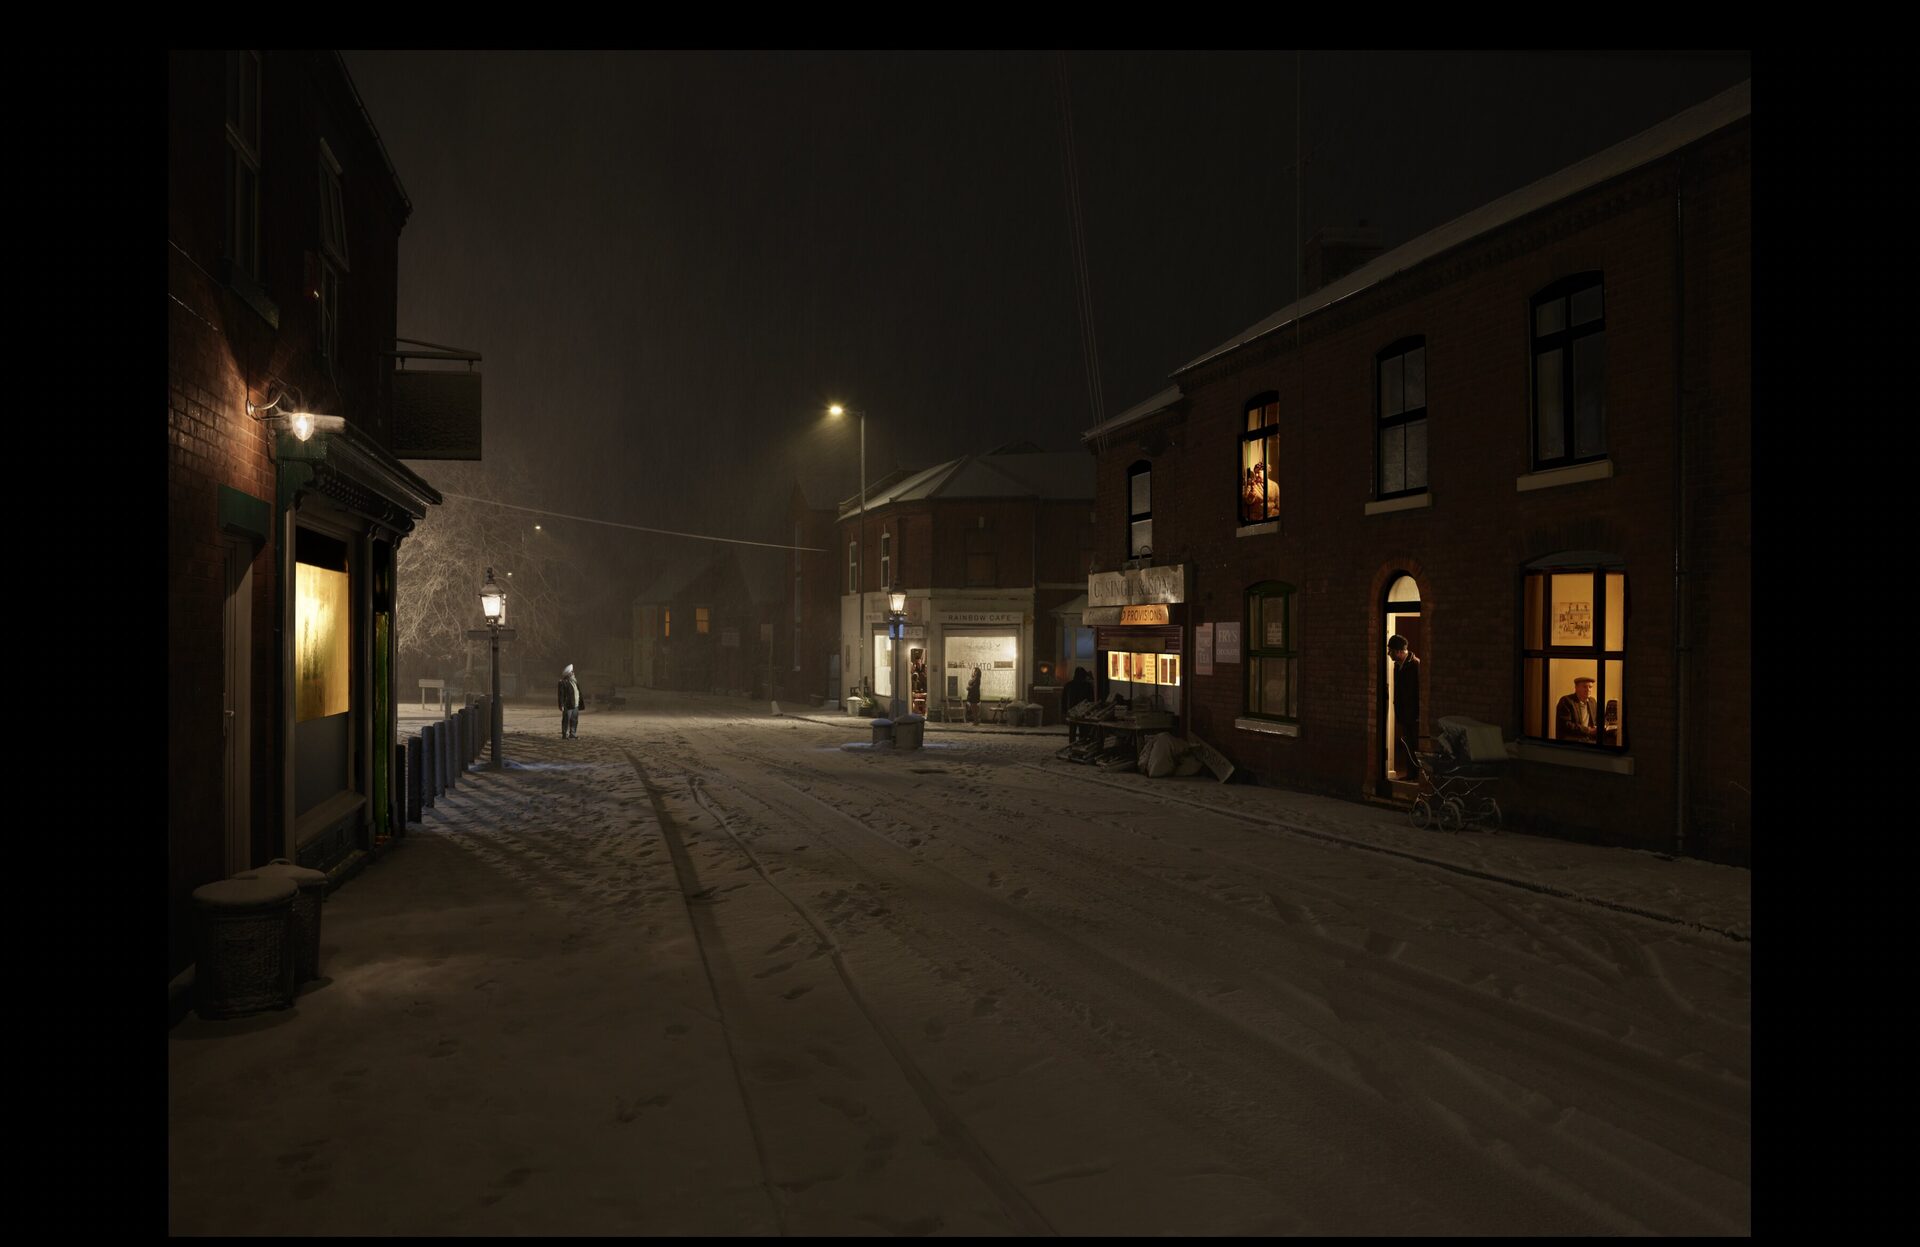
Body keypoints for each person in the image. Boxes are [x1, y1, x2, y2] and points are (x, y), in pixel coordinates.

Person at [1387, 634, 1420, 777]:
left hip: (1414, 714)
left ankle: (1417, 775)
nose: (1389, 654)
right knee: (1408, 744)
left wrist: (1418, 714)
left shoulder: (1415, 665)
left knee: (1415, 744)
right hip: (1404, 713)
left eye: (1391, 651)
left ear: (1399, 651)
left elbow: (1419, 691)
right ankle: (1411, 773)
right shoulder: (1397, 666)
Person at [1556, 675, 1600, 743]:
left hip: (1589, 739)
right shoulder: (1566, 701)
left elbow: (1597, 719)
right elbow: (1566, 725)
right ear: (1576, 688)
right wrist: (1588, 730)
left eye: (1590, 687)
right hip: (1572, 740)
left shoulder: (1592, 701)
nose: (1588, 689)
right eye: (1585, 687)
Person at [558, 663, 583, 739]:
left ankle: (573, 733)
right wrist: (561, 704)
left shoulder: (574, 681)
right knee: (566, 720)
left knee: (574, 720)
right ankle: (565, 734)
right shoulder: (563, 682)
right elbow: (561, 695)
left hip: (575, 704)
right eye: (572, 672)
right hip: (568, 704)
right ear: (568, 674)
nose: (573, 673)